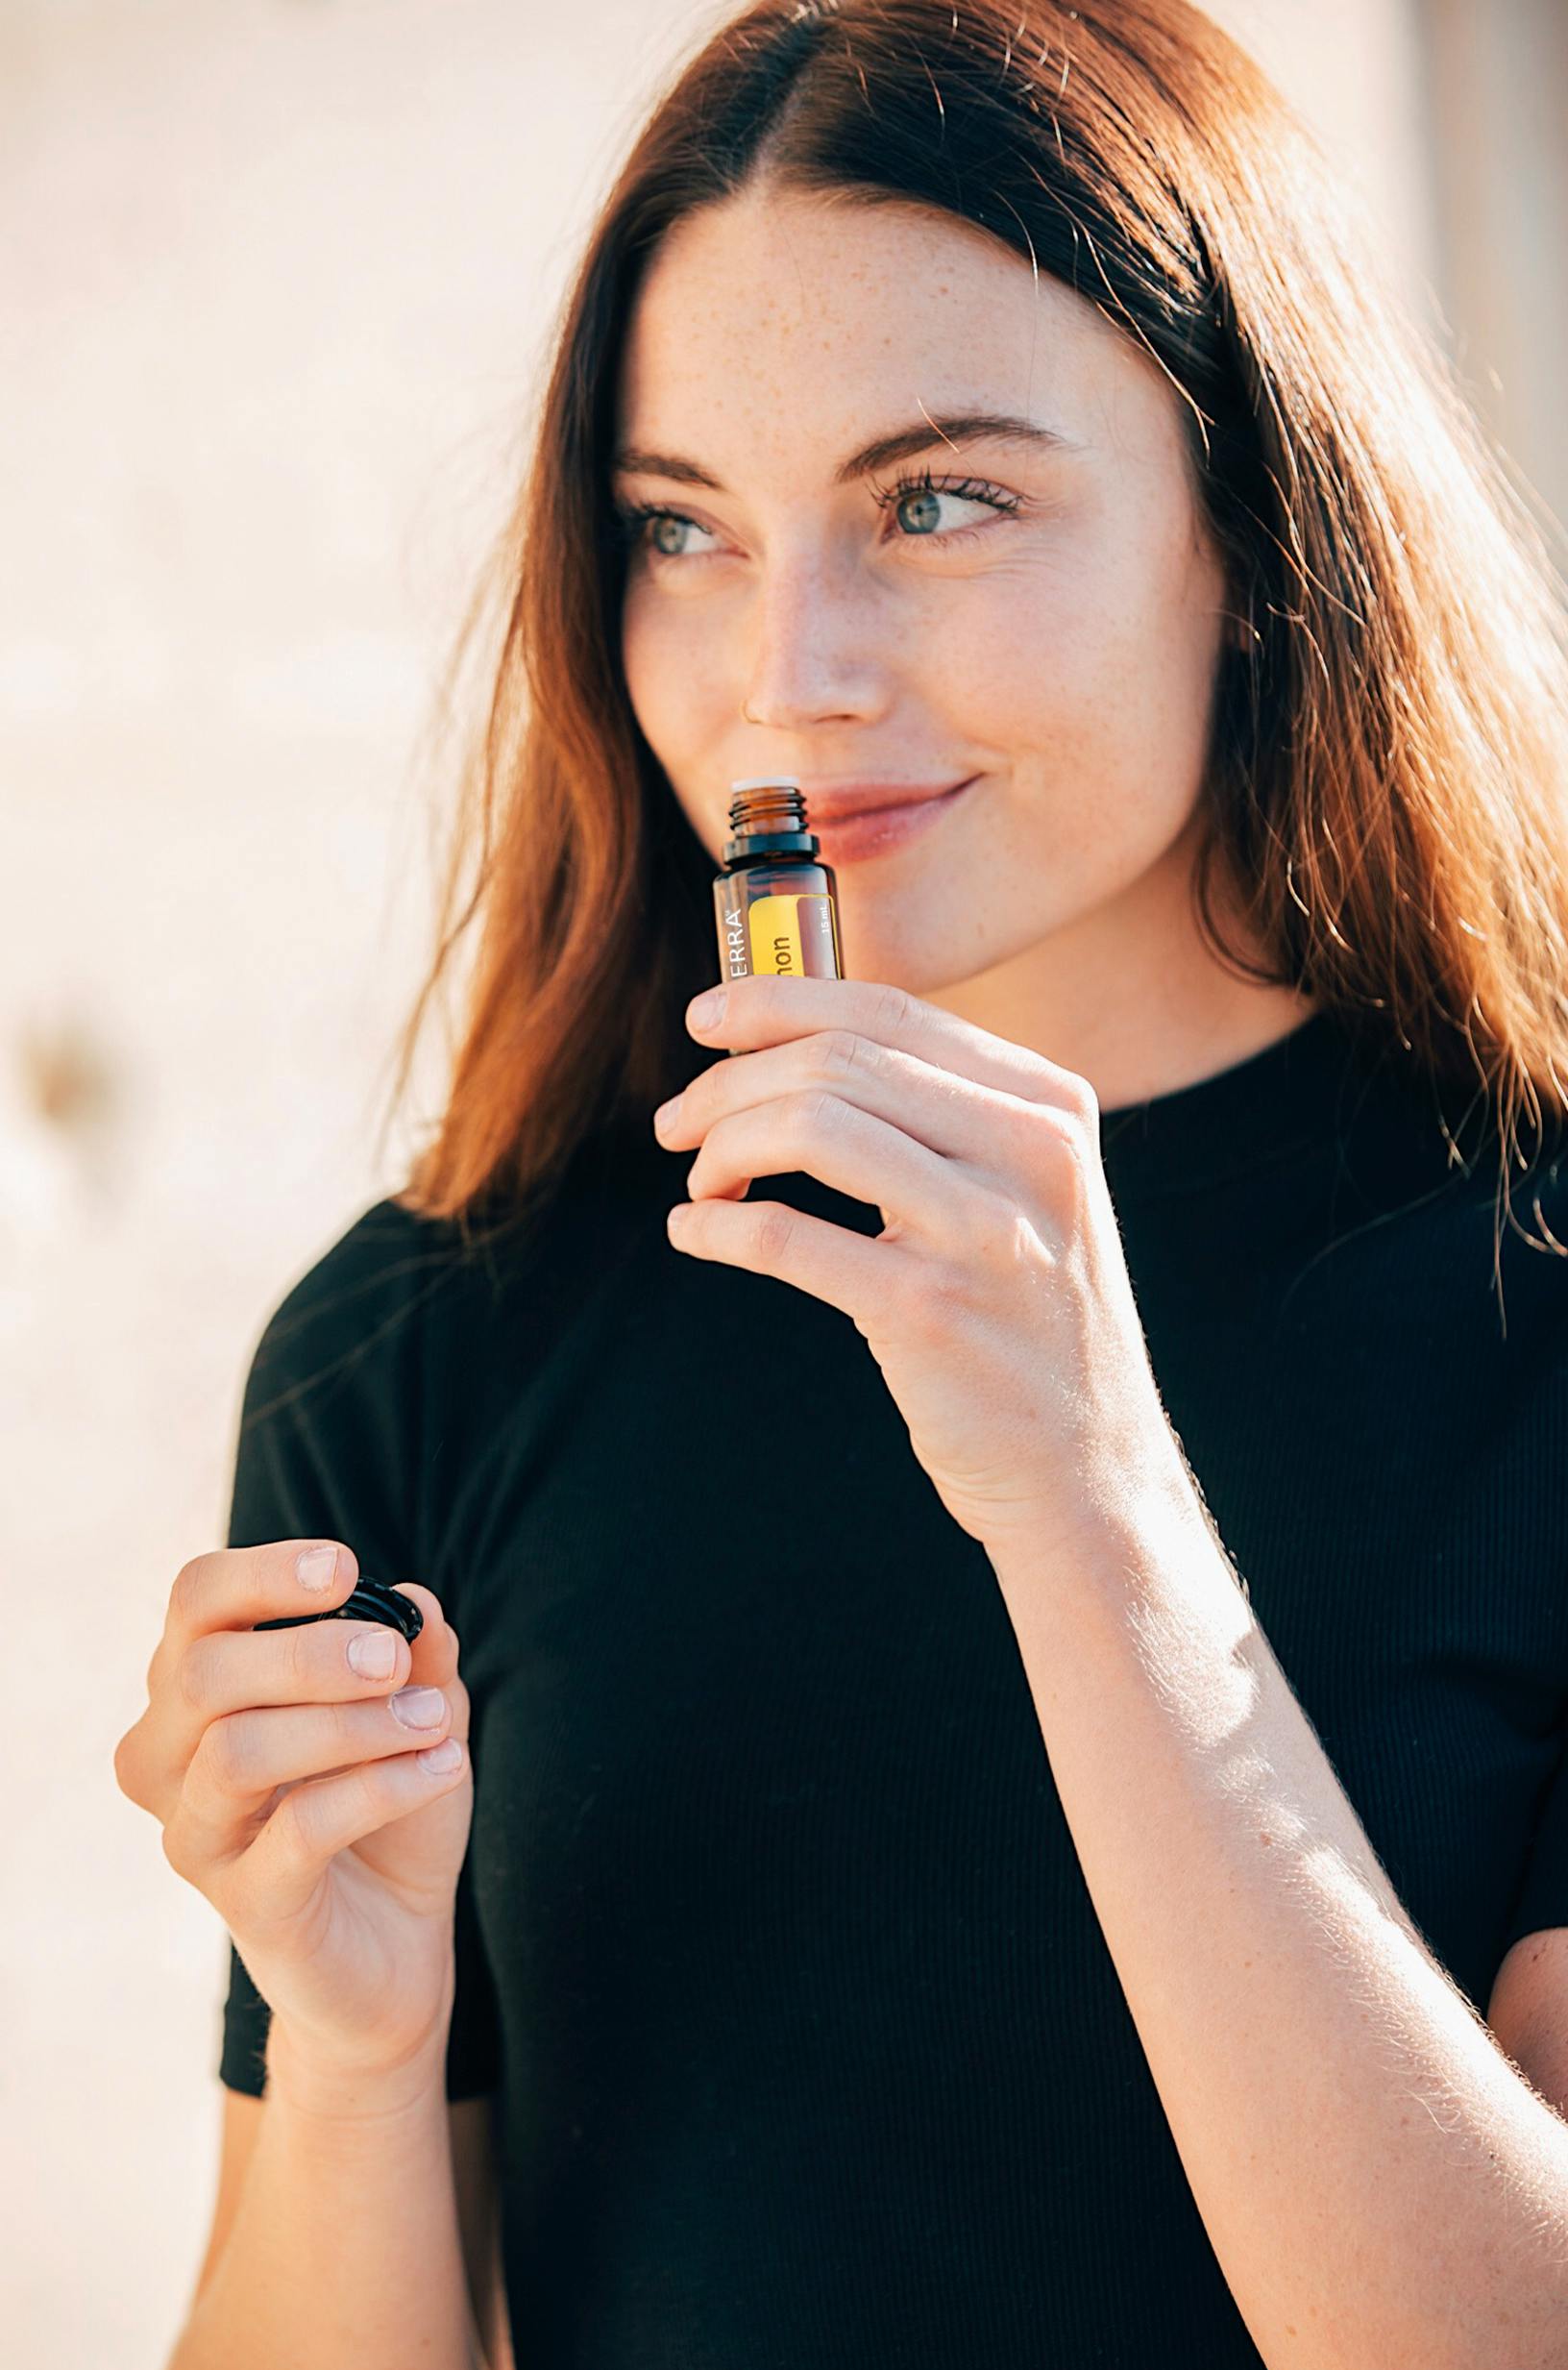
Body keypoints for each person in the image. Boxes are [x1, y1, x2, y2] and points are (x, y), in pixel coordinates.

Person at [114, 1, 1568, 2363]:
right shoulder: (422, 1349)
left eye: (938, 501)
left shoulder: (1541, 1297)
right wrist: (362, 2057)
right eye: (682, 529)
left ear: (1262, 522)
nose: (788, 673)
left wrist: (1095, 1509)